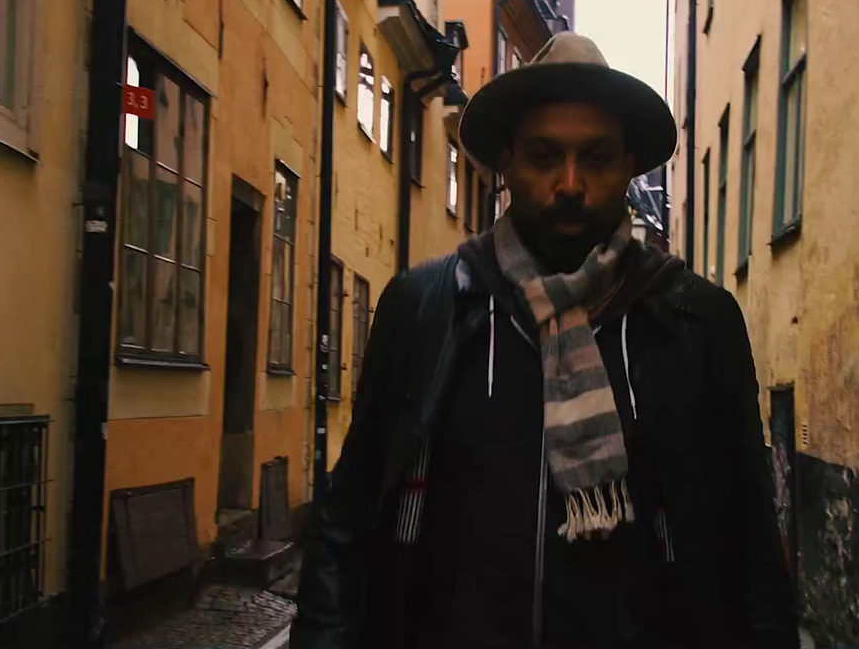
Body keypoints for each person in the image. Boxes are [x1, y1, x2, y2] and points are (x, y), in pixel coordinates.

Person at [292, 32, 796, 649]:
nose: (570, 183)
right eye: (544, 156)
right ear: (507, 162)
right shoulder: (428, 309)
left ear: (631, 165)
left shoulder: (695, 325)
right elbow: (347, 518)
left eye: (597, 158)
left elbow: (751, 551)